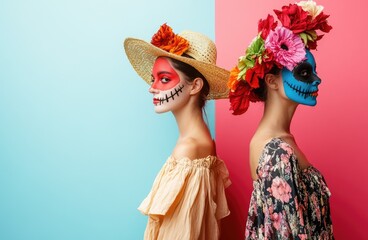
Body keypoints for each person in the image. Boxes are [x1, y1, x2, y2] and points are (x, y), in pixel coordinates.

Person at [227, 1, 334, 239]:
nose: (317, 80)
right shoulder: (276, 151)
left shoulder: (283, 141)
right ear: (272, 81)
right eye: (304, 72)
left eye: (313, 71)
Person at [124, 23, 231, 240]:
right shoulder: (204, 142)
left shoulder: (188, 149)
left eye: (164, 79)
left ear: (195, 86)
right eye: (154, 79)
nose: (152, 87)